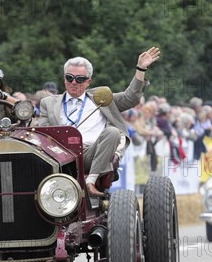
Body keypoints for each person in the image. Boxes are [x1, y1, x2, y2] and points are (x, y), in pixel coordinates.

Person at [39, 47, 160, 196]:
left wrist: (140, 68)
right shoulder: (48, 103)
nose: (74, 82)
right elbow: (42, 134)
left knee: (113, 132)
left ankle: (91, 181)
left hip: (92, 154)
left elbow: (131, 98)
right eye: (69, 78)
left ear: (88, 81)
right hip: (60, 155)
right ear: (64, 78)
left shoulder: (101, 97)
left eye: (80, 79)